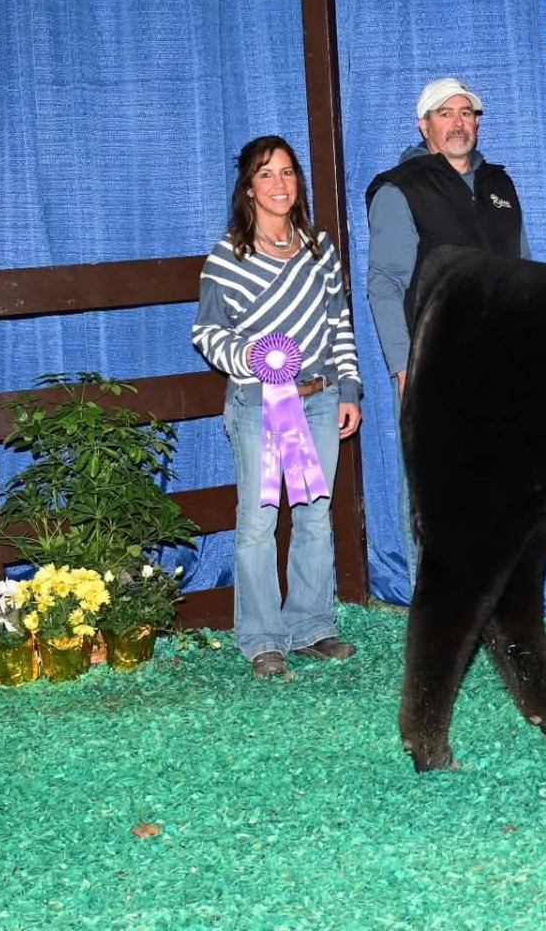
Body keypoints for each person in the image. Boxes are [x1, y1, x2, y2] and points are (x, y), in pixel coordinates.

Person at [192, 136, 363, 680]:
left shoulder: (319, 247)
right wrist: (250, 358)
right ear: (248, 188)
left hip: (321, 398)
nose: (279, 184)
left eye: (288, 173)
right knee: (258, 520)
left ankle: (311, 625)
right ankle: (262, 638)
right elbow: (207, 332)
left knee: (314, 514)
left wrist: (350, 389)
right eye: (266, 174)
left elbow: (339, 321)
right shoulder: (227, 257)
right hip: (258, 403)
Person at [364, 78, 527, 580]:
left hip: (498, 364)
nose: (458, 123)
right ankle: (433, 606)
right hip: (433, 362)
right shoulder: (400, 188)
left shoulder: (499, 185)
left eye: (466, 113)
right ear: (424, 126)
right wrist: (402, 365)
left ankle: (490, 600)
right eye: (445, 113)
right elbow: (384, 283)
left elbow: (524, 275)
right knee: (430, 489)